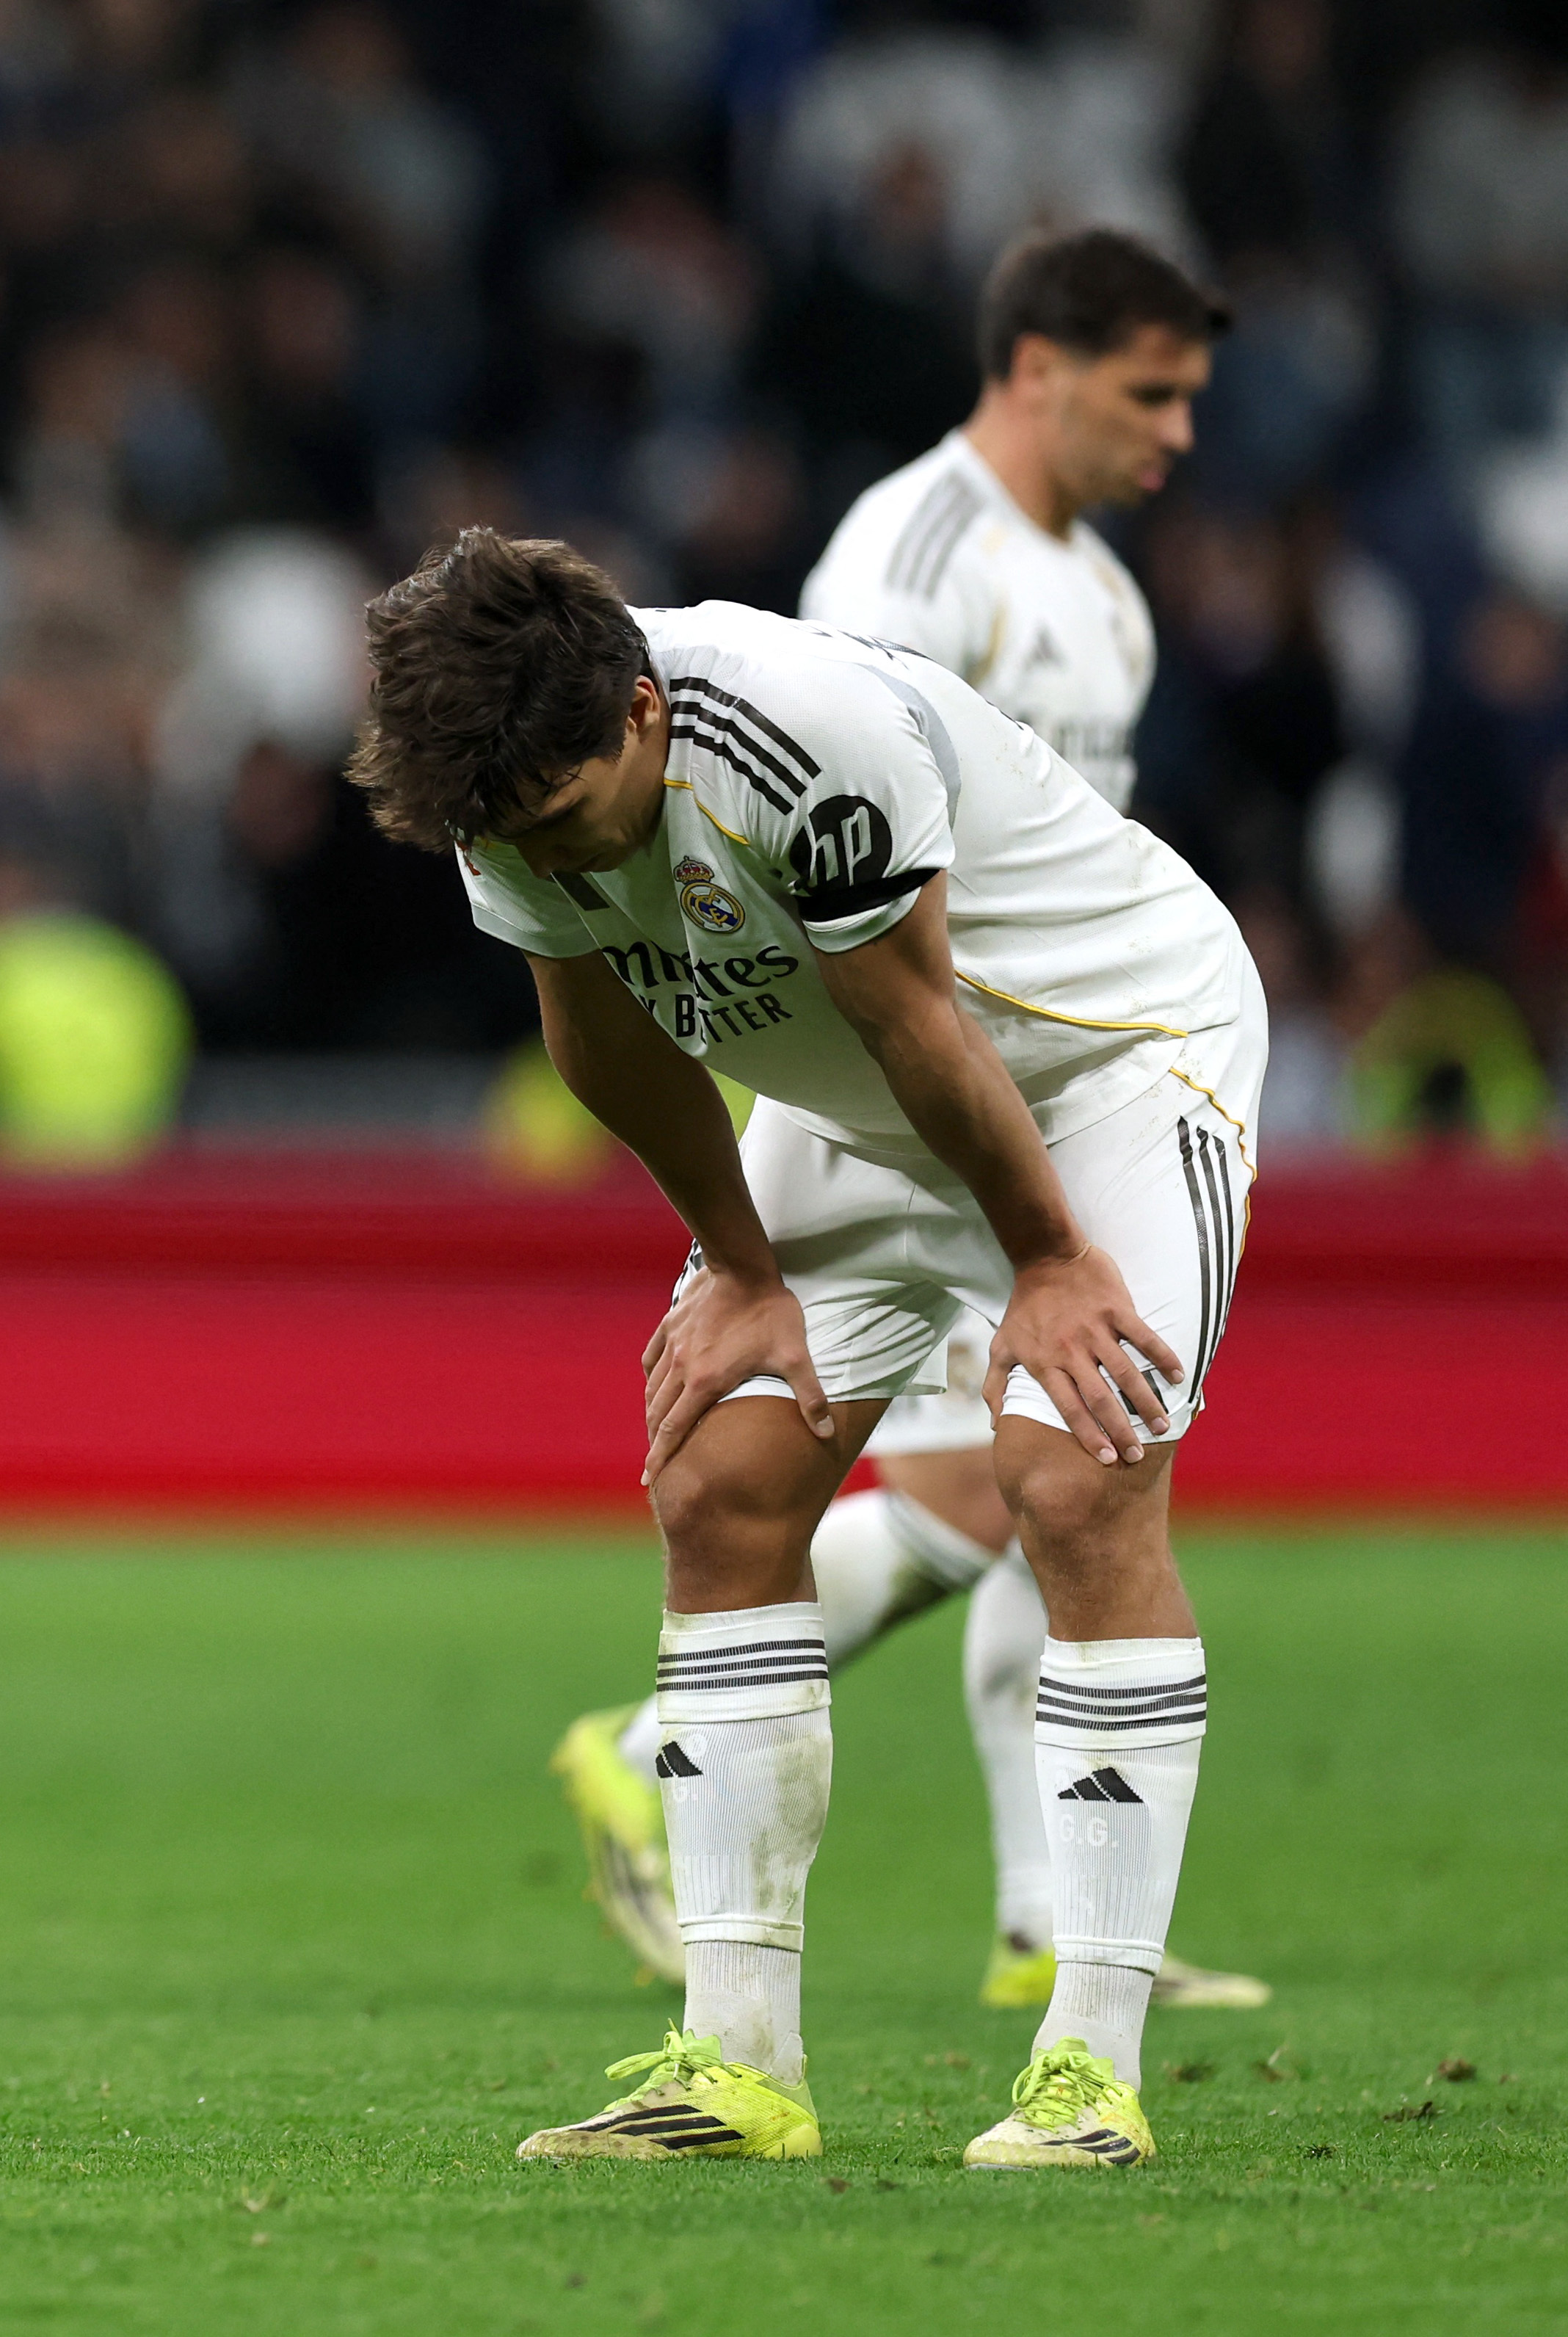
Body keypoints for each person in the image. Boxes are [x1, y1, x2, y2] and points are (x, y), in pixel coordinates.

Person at [355, 530, 1262, 2171]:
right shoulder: (503, 778)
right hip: (859, 1088)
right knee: (717, 1480)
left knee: (1071, 1475)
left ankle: (1090, 2072)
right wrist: (737, 1262)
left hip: (1101, 1062)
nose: (538, 858)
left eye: (562, 821)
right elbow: (600, 1035)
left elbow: (928, 1021)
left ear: (641, 710)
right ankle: (735, 2064)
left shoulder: (800, 733)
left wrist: (1051, 1262)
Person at [549, 228, 1269, 2015]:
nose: (1175, 435)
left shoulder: (1104, 597)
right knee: (989, 1483)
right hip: (916, 1080)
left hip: (1040, 1060)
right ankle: (655, 1756)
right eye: (1147, 391)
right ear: (1035, 364)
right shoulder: (909, 550)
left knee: (1034, 1483)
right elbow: (820, 869)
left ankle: (1045, 1920)